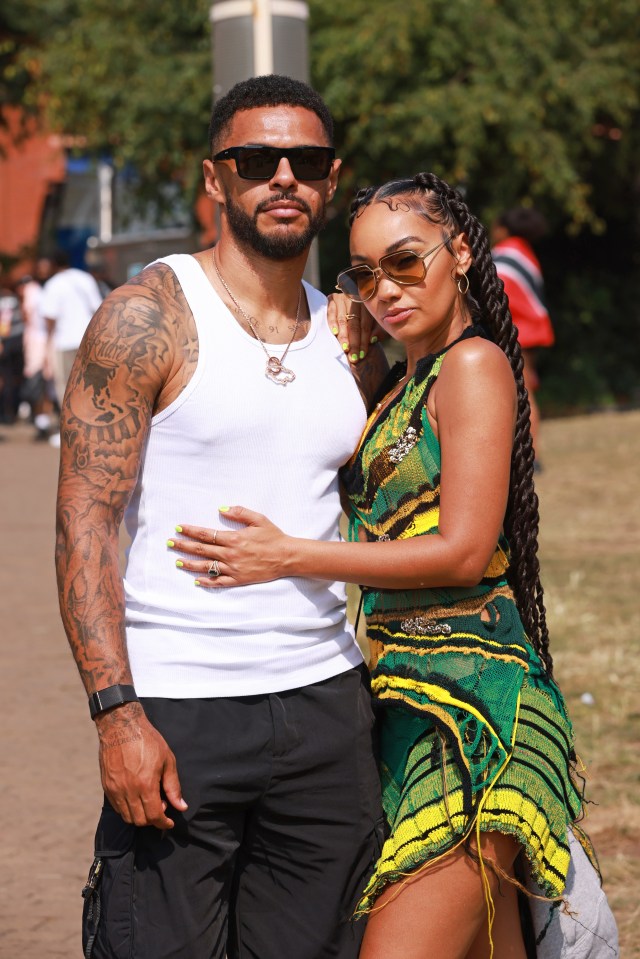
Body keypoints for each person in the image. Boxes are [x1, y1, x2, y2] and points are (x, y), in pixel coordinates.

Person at [170, 173, 617, 957]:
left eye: (406, 262)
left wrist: (287, 557)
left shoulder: (472, 365)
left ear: (462, 252)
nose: (386, 289)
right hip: (410, 707)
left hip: (479, 717)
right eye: (365, 274)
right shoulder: (406, 380)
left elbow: (464, 549)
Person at [55, 75, 388, 959]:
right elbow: (84, 519)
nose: (283, 176)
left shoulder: (354, 332)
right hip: (179, 708)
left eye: (306, 160)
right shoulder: (145, 318)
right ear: (216, 180)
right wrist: (117, 715)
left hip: (326, 705)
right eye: (256, 159)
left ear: (330, 178)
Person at [492, 207, 554, 465]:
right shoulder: (524, 252)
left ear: (505, 228)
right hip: (530, 331)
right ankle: (530, 451)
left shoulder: (505, 254)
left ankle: (531, 454)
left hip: (519, 333)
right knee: (526, 390)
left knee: (523, 392)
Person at [41, 249, 103, 446]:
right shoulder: (85, 279)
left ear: (53, 264)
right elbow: (98, 308)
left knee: (66, 389)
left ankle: (71, 433)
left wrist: (48, 343)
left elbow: (49, 318)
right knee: (89, 387)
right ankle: (92, 430)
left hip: (65, 342)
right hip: (88, 339)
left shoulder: (53, 285)